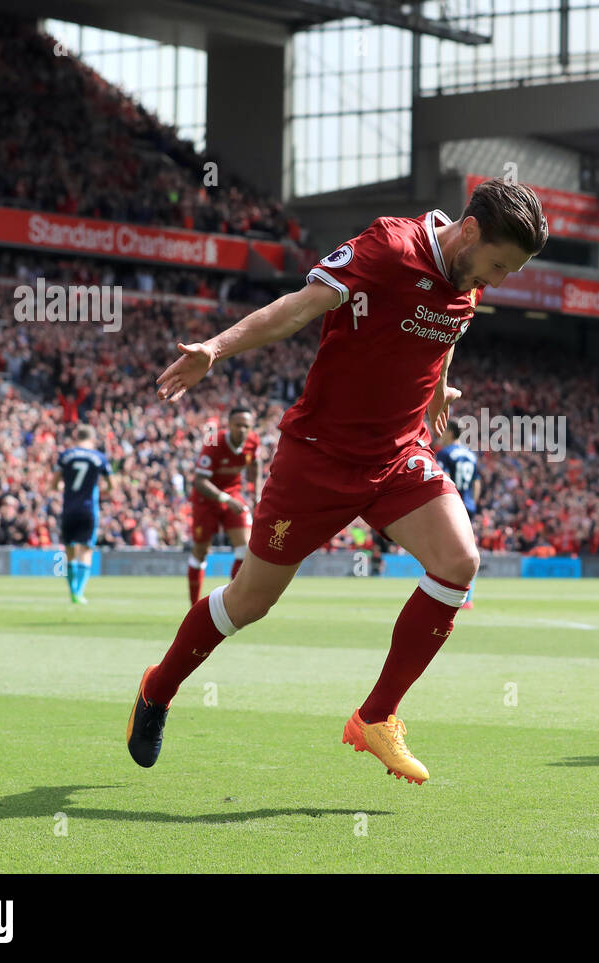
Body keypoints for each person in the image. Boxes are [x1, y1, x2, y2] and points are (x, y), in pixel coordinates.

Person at [127, 179, 548, 783]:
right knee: (249, 602)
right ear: (472, 231)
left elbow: (445, 334)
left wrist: (435, 393)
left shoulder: (469, 281)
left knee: (460, 562)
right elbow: (299, 308)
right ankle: (158, 688)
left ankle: (376, 718)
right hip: (319, 460)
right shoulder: (388, 248)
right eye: (501, 264)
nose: (500, 280)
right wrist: (215, 350)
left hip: (398, 458)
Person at [187, 407, 260, 604]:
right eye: (238, 425)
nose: (242, 430)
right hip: (206, 500)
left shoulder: (253, 441)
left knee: (244, 550)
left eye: (246, 426)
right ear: (229, 425)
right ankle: (194, 606)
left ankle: (230, 602)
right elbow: (200, 482)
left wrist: (257, 493)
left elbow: (255, 464)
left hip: (233, 495)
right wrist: (226, 499)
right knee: (201, 551)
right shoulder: (213, 441)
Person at [50, 425, 112, 604]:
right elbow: (112, 485)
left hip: (68, 509)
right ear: (93, 440)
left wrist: (63, 487)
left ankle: (72, 592)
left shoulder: (65, 456)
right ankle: (79, 592)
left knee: (69, 552)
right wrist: (102, 490)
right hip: (88, 509)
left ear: (77, 437)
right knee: (85, 550)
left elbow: (54, 484)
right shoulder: (99, 458)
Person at [435, 420, 481, 608]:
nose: (439, 434)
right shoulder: (471, 455)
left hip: (450, 505)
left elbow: (440, 478)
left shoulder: (444, 454)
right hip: (467, 507)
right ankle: (467, 598)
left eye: (443, 431)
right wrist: (472, 504)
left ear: (451, 433)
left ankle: (443, 594)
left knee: (443, 551)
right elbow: (476, 483)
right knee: (468, 551)